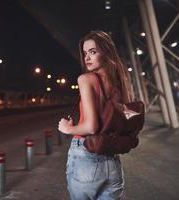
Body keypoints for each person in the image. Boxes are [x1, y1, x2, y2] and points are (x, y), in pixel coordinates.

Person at [58, 30, 133, 200]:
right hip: (112, 161)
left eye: (93, 52)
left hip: (86, 155)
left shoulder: (86, 79)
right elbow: (125, 116)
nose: (87, 58)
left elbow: (91, 126)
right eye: (85, 53)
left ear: (106, 53)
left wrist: (68, 128)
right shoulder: (120, 81)